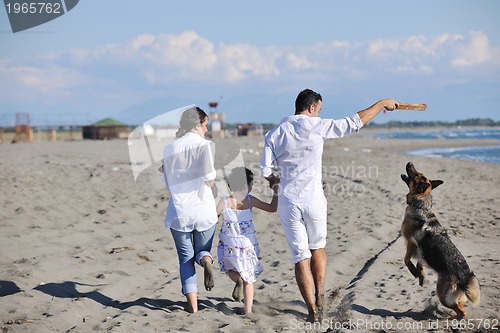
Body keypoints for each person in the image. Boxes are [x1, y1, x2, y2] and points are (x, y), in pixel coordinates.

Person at [259, 89, 398, 322]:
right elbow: (355, 122)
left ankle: (312, 309)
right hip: (313, 199)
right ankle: (321, 294)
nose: (319, 114)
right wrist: (382, 103)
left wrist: (275, 183)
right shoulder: (316, 126)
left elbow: (264, 171)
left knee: (299, 257)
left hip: (288, 202)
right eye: (319, 110)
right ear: (312, 108)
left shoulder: (275, 133)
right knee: (318, 248)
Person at [162, 106, 219, 313]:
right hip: (203, 210)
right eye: (205, 125)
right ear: (198, 124)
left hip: (179, 212)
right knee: (202, 251)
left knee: (185, 260)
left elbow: (167, 184)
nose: (206, 129)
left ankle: (193, 308)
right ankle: (206, 261)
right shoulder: (204, 146)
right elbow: (210, 180)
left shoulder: (169, 148)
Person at [216, 167, 279, 314]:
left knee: (230, 269)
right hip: (247, 244)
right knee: (249, 278)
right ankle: (248, 310)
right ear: (248, 187)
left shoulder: (225, 202)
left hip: (230, 243)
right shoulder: (251, 201)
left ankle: (237, 279)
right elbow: (272, 208)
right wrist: (276, 190)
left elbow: (213, 218)